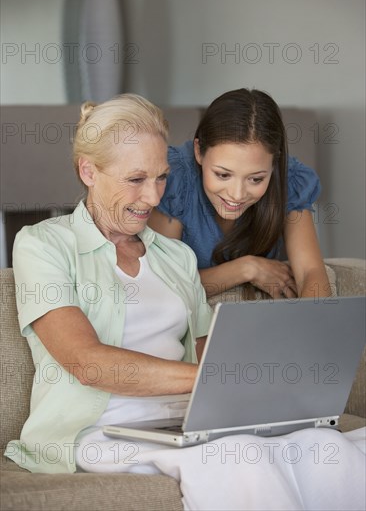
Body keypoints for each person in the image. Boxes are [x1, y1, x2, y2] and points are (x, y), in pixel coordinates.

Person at [5, 93, 212, 474]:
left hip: (179, 425)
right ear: (88, 172)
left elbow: (206, 352)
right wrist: (217, 378)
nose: (152, 197)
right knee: (234, 463)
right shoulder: (42, 245)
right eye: (135, 179)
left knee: (325, 442)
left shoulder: (176, 256)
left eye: (161, 177)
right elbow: (88, 363)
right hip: (99, 433)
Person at [149, 88, 331, 300]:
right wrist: (247, 269)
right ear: (198, 152)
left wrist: (308, 326)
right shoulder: (176, 178)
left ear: (274, 164)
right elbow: (164, 284)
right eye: (223, 175)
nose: (237, 195)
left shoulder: (289, 179)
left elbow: (311, 272)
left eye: (256, 179)